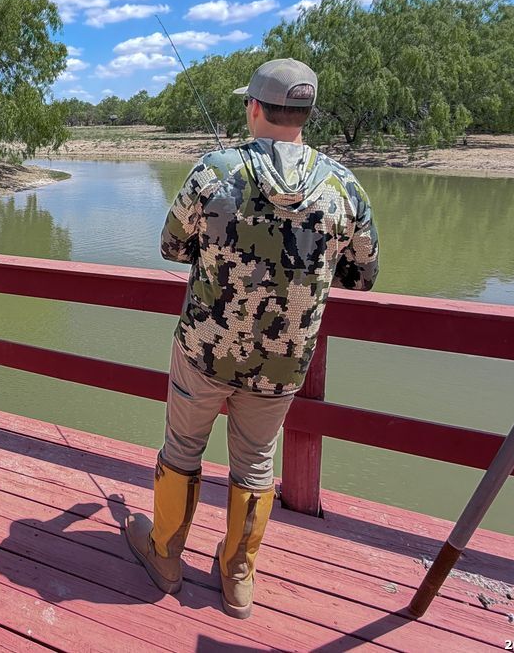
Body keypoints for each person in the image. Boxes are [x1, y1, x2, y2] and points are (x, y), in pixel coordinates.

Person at [124, 58, 379, 619]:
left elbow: (171, 247)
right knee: (256, 464)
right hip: (284, 363)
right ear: (306, 114)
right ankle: (237, 574)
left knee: (182, 450)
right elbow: (362, 274)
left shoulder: (212, 172)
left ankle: (166, 555)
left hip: (205, 350)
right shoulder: (343, 185)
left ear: (255, 108)